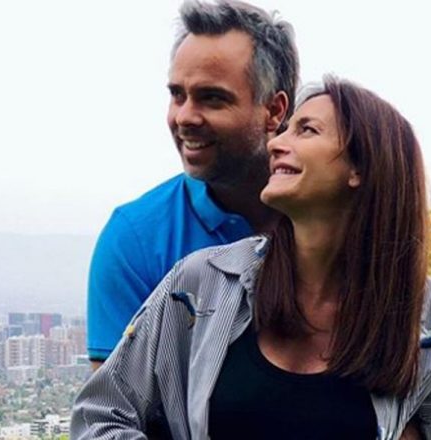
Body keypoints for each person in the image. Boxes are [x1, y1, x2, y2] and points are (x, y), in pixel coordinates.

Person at [71, 77, 431, 439]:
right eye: (285, 130)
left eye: (307, 130)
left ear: (359, 168)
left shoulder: (430, 316)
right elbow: (100, 414)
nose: (275, 143)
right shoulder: (201, 284)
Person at [86, 0, 298, 369]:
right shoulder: (137, 239)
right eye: (177, 95)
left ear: (274, 110)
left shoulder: (334, 218)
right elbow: (112, 401)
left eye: (212, 98)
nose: (184, 117)